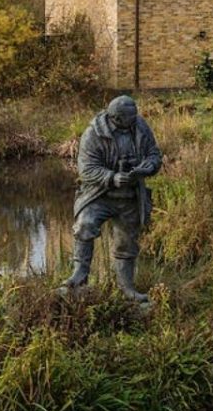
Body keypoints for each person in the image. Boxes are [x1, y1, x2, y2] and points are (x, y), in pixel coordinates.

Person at [60, 95, 162, 301]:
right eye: (129, 118)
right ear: (115, 117)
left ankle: (127, 287)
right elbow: (86, 169)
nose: (135, 120)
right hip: (99, 195)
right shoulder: (93, 133)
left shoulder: (140, 126)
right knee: (85, 225)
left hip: (130, 197)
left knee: (127, 241)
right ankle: (79, 276)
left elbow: (154, 154)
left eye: (135, 116)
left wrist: (149, 167)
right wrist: (112, 177)